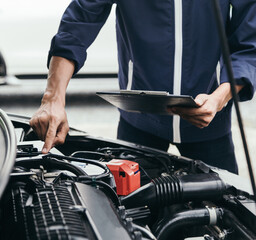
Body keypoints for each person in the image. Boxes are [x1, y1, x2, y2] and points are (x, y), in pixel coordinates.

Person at [30, 0, 256, 174]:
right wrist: (52, 98)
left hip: (210, 126)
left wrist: (220, 97)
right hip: (138, 122)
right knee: (127, 216)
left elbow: (249, 42)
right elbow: (78, 22)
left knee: (229, 219)